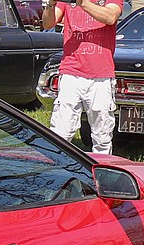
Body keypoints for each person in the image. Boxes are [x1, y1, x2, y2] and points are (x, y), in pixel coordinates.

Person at [42, 0, 123, 154]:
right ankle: (57, 170)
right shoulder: (65, 2)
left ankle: (101, 172)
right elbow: (47, 24)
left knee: (102, 136)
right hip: (71, 71)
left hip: (101, 74)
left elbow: (111, 17)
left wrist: (81, 3)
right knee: (60, 132)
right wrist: (50, 4)